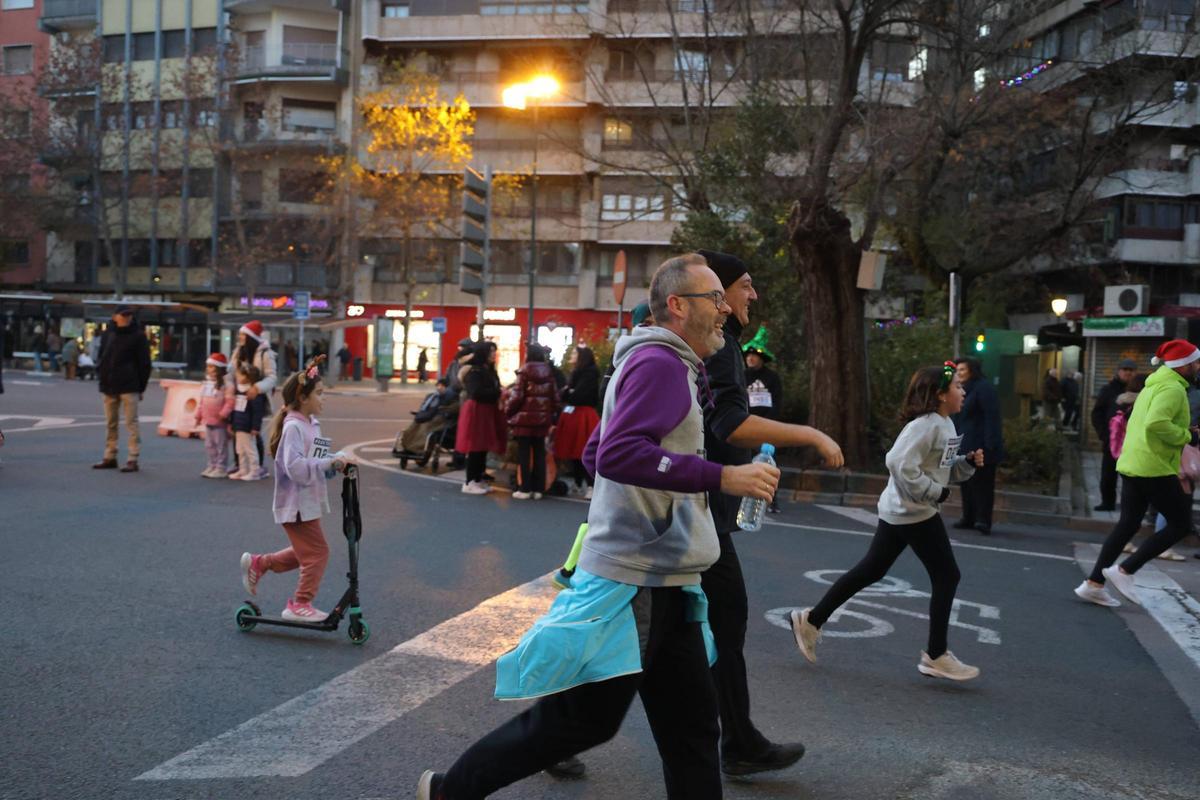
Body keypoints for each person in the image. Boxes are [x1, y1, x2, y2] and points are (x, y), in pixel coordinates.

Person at [416, 254, 780, 800]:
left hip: (670, 579)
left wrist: (667, 504)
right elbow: (616, 454)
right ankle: (451, 790)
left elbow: (595, 451)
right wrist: (722, 476)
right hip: (637, 582)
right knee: (584, 719)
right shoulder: (659, 363)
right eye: (715, 299)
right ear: (678, 306)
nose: (726, 309)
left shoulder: (670, 363)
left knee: (693, 731)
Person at [694, 249, 842, 777]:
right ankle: (737, 743)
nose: (753, 295)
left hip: (693, 509)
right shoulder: (719, 346)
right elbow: (728, 424)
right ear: (718, 295)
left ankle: (737, 741)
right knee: (715, 620)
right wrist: (810, 434)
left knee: (690, 624)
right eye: (745, 285)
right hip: (690, 511)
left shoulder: (712, 345)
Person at [791, 362, 985, 681]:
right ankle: (936, 655)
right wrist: (934, 492)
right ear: (939, 395)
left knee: (872, 569)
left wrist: (966, 465)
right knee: (947, 575)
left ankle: (811, 620)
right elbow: (896, 462)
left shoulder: (944, 423)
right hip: (914, 512)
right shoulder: (928, 425)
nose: (963, 391)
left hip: (906, 510)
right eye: (957, 388)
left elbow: (940, 467)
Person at [1076, 340, 1200, 607]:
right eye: (1196, 362)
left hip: (1134, 463)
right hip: (1153, 467)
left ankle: (1094, 584)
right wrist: (1188, 435)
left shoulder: (1153, 385)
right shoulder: (1173, 389)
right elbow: (1157, 423)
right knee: (1181, 524)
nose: (1198, 366)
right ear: (1184, 365)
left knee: (1128, 524)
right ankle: (1125, 571)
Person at [240, 356, 354, 622]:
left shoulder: (311, 424)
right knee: (317, 553)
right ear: (303, 397)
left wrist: (334, 463)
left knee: (305, 552)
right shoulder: (294, 427)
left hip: (307, 501)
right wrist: (328, 461)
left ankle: (260, 563)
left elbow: (316, 462)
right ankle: (300, 604)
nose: (323, 399)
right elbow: (296, 468)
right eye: (319, 393)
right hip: (295, 503)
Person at [93, 307, 152, 473]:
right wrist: (101, 376)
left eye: (129, 315)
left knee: (131, 423)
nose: (127, 318)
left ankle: (133, 458)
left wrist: (141, 387)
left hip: (129, 385)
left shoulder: (138, 336)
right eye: (124, 315)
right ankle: (110, 455)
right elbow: (102, 357)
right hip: (109, 384)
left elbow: (144, 364)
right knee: (110, 422)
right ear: (115, 317)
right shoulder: (108, 334)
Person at [951, 357, 1005, 535]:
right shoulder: (961, 389)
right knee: (966, 481)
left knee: (982, 483)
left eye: (962, 370)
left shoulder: (983, 388)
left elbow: (992, 416)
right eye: (957, 370)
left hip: (981, 444)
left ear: (972, 371)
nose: (959, 373)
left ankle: (983, 520)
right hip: (964, 444)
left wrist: (990, 443)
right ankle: (968, 517)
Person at [506, 343, 560, 499]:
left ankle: (524, 488)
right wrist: (551, 413)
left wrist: (509, 412)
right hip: (542, 420)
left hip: (524, 420)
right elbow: (555, 398)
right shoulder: (549, 372)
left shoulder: (524, 371)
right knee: (539, 453)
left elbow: (516, 397)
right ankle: (538, 489)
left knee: (523, 454)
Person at [456, 341, 506, 495]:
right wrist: (498, 393)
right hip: (477, 410)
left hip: (486, 410)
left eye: (494, 351)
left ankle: (478, 479)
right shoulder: (475, 371)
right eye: (490, 351)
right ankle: (470, 481)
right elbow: (476, 392)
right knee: (475, 446)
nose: (493, 354)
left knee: (482, 446)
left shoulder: (487, 370)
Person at [742, 325, 783, 514]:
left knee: (767, 464)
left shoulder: (772, 378)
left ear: (761, 358)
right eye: (748, 355)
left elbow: (777, 402)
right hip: (745, 425)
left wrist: (770, 424)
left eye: (754, 355)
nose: (750, 358)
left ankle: (771, 499)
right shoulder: (741, 376)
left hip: (766, 426)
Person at [231, 320, 278, 476]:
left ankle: (257, 467)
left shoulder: (265, 353)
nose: (240, 337)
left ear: (250, 337)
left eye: (243, 334)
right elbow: (232, 370)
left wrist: (257, 387)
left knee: (253, 430)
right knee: (238, 429)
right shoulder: (239, 351)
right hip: (240, 392)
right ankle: (241, 465)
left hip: (256, 395)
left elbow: (272, 378)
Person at [1091, 359, 1137, 511]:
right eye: (1125, 369)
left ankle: (1129, 505)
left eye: (1131, 370)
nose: (1128, 372)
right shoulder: (1108, 390)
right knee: (1108, 475)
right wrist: (1104, 434)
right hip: (1111, 441)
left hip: (1132, 442)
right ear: (1118, 371)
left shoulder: (1140, 391)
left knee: (1130, 477)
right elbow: (1097, 413)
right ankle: (1108, 503)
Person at [557, 344, 601, 498]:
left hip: (583, 415)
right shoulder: (577, 373)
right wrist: (570, 392)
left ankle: (590, 485)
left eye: (575, 353)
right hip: (576, 414)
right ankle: (577, 482)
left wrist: (570, 392)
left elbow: (575, 395)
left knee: (583, 450)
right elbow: (566, 394)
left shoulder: (589, 373)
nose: (572, 355)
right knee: (575, 451)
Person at [195, 353, 235, 478]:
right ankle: (212, 465)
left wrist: (223, 414)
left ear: (219, 369)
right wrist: (198, 415)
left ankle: (221, 467)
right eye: (208, 366)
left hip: (219, 421)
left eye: (212, 367)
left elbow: (230, 402)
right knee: (209, 445)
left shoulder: (226, 384)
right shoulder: (207, 384)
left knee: (220, 445)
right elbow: (201, 402)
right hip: (208, 420)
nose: (209, 369)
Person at [231, 364, 269, 480]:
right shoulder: (239, 390)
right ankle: (243, 469)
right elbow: (235, 409)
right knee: (240, 450)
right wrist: (231, 423)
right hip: (238, 425)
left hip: (247, 427)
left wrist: (255, 427)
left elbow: (258, 412)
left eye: (240, 375)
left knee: (250, 450)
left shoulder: (253, 393)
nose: (237, 377)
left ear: (247, 377)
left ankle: (255, 471)